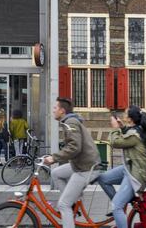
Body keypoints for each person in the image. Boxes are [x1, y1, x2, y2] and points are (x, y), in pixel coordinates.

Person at [43, 97, 101, 228]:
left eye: (55, 108)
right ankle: (73, 202)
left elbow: (74, 147)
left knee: (63, 205)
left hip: (86, 168)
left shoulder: (70, 123)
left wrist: (54, 158)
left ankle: (69, 204)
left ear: (62, 110)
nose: (53, 111)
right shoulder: (68, 122)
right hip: (80, 164)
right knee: (56, 173)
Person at [98, 105, 146, 228]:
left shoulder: (135, 135)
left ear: (130, 119)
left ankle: (118, 207)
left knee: (116, 206)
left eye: (125, 114)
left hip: (137, 173)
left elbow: (115, 143)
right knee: (103, 178)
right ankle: (120, 205)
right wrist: (122, 127)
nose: (123, 116)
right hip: (131, 168)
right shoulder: (138, 129)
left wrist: (115, 128)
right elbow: (129, 133)